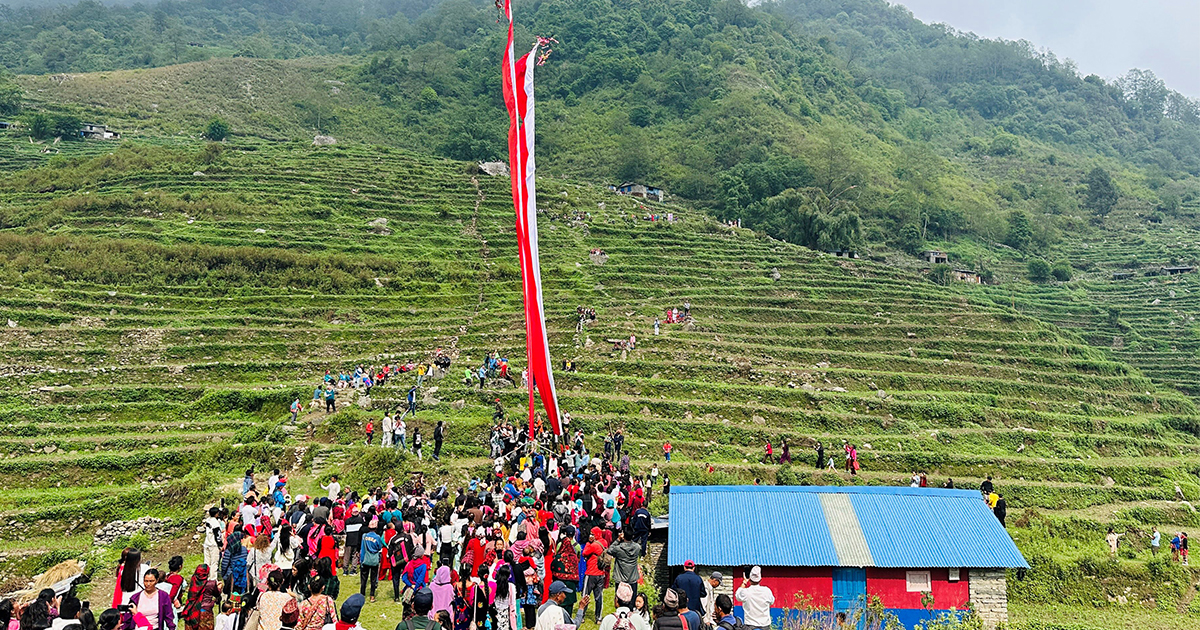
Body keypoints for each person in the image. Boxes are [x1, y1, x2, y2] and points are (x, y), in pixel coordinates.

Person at [180, 565, 220, 630]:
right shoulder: (211, 584)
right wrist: (219, 588)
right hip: (205, 612)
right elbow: (217, 594)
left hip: (192, 610)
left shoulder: (193, 582)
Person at [581, 528, 608, 622]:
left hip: (591, 573)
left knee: (585, 595)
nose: (590, 536)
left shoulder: (593, 545)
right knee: (598, 596)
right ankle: (598, 618)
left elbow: (584, 553)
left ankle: (581, 616)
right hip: (601, 574)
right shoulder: (604, 543)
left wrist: (588, 543)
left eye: (592, 534)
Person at [606, 531, 642, 602]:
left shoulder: (618, 549)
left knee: (620, 600)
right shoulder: (637, 547)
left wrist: (618, 540)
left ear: (623, 537)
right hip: (633, 578)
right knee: (632, 600)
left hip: (621, 578)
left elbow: (609, 550)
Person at [360, 522, 385, 601]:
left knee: (364, 578)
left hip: (365, 559)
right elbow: (379, 547)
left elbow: (362, 549)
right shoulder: (377, 537)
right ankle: (372, 596)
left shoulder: (364, 536)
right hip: (374, 559)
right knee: (373, 579)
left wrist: (361, 560)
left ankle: (362, 594)